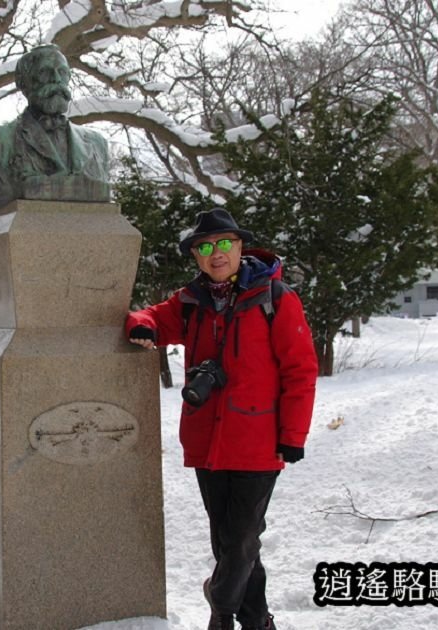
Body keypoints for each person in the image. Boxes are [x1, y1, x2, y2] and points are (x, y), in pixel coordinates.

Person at [125, 208, 317, 630]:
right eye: (206, 247)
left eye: (225, 244)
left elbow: (300, 370)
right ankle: (258, 621)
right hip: (206, 443)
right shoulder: (192, 302)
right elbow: (154, 316)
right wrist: (140, 325)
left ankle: (221, 612)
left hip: (259, 441)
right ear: (196, 255)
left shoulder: (274, 297)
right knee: (232, 544)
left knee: (242, 540)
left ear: (240, 246)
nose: (217, 253)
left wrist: (293, 434)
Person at [0, 44, 110, 212]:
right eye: (45, 72)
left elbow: (103, 193)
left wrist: (41, 185)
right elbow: (6, 194)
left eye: (62, 72)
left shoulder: (97, 143)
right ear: (24, 84)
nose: (56, 79)